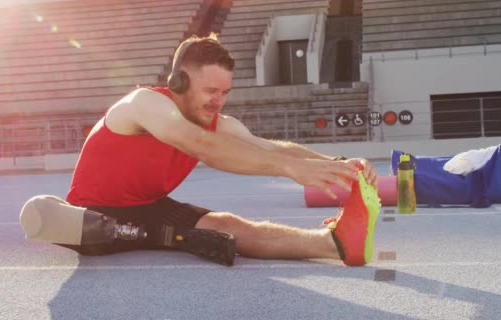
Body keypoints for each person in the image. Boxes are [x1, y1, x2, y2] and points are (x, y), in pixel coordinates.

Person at [63, 33, 380, 266]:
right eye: (211, 90)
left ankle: (334, 244)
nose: (219, 101)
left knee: (228, 225)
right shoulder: (143, 104)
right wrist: (288, 169)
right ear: (179, 83)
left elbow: (268, 147)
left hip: (147, 205)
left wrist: (339, 164)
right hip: (91, 211)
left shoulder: (217, 121)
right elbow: (200, 145)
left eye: (225, 92)